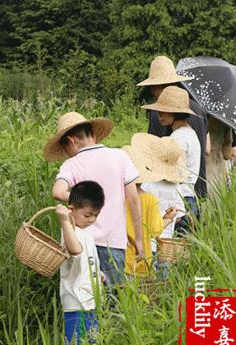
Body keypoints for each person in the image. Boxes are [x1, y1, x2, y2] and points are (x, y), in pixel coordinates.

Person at [45, 112, 143, 288]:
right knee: (113, 298)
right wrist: (139, 239)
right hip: (114, 243)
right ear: (93, 135)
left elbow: (58, 192)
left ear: (71, 141)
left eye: (65, 149)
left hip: (80, 242)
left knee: (84, 295)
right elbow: (134, 200)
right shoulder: (120, 156)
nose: (67, 155)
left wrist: (83, 199)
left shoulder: (71, 164)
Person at [138, 56, 209, 199]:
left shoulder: (160, 114)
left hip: (175, 194)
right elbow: (207, 149)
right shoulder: (199, 109)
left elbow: (154, 157)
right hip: (198, 188)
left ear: (154, 87)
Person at [122, 133, 184, 277]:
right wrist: (169, 218)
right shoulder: (150, 199)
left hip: (120, 257)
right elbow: (155, 230)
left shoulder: (116, 198)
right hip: (142, 256)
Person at [141, 87, 201, 235]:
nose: (159, 116)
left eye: (163, 112)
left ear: (174, 113)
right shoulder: (190, 133)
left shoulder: (178, 138)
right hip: (189, 196)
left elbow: (178, 172)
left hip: (180, 199)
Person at [55, 181, 106, 345]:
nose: (92, 220)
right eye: (87, 215)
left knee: (92, 344)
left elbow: (88, 259)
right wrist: (64, 221)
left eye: (96, 215)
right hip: (76, 301)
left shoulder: (86, 232)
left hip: (91, 300)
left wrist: (97, 273)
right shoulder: (69, 230)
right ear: (72, 209)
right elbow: (75, 250)